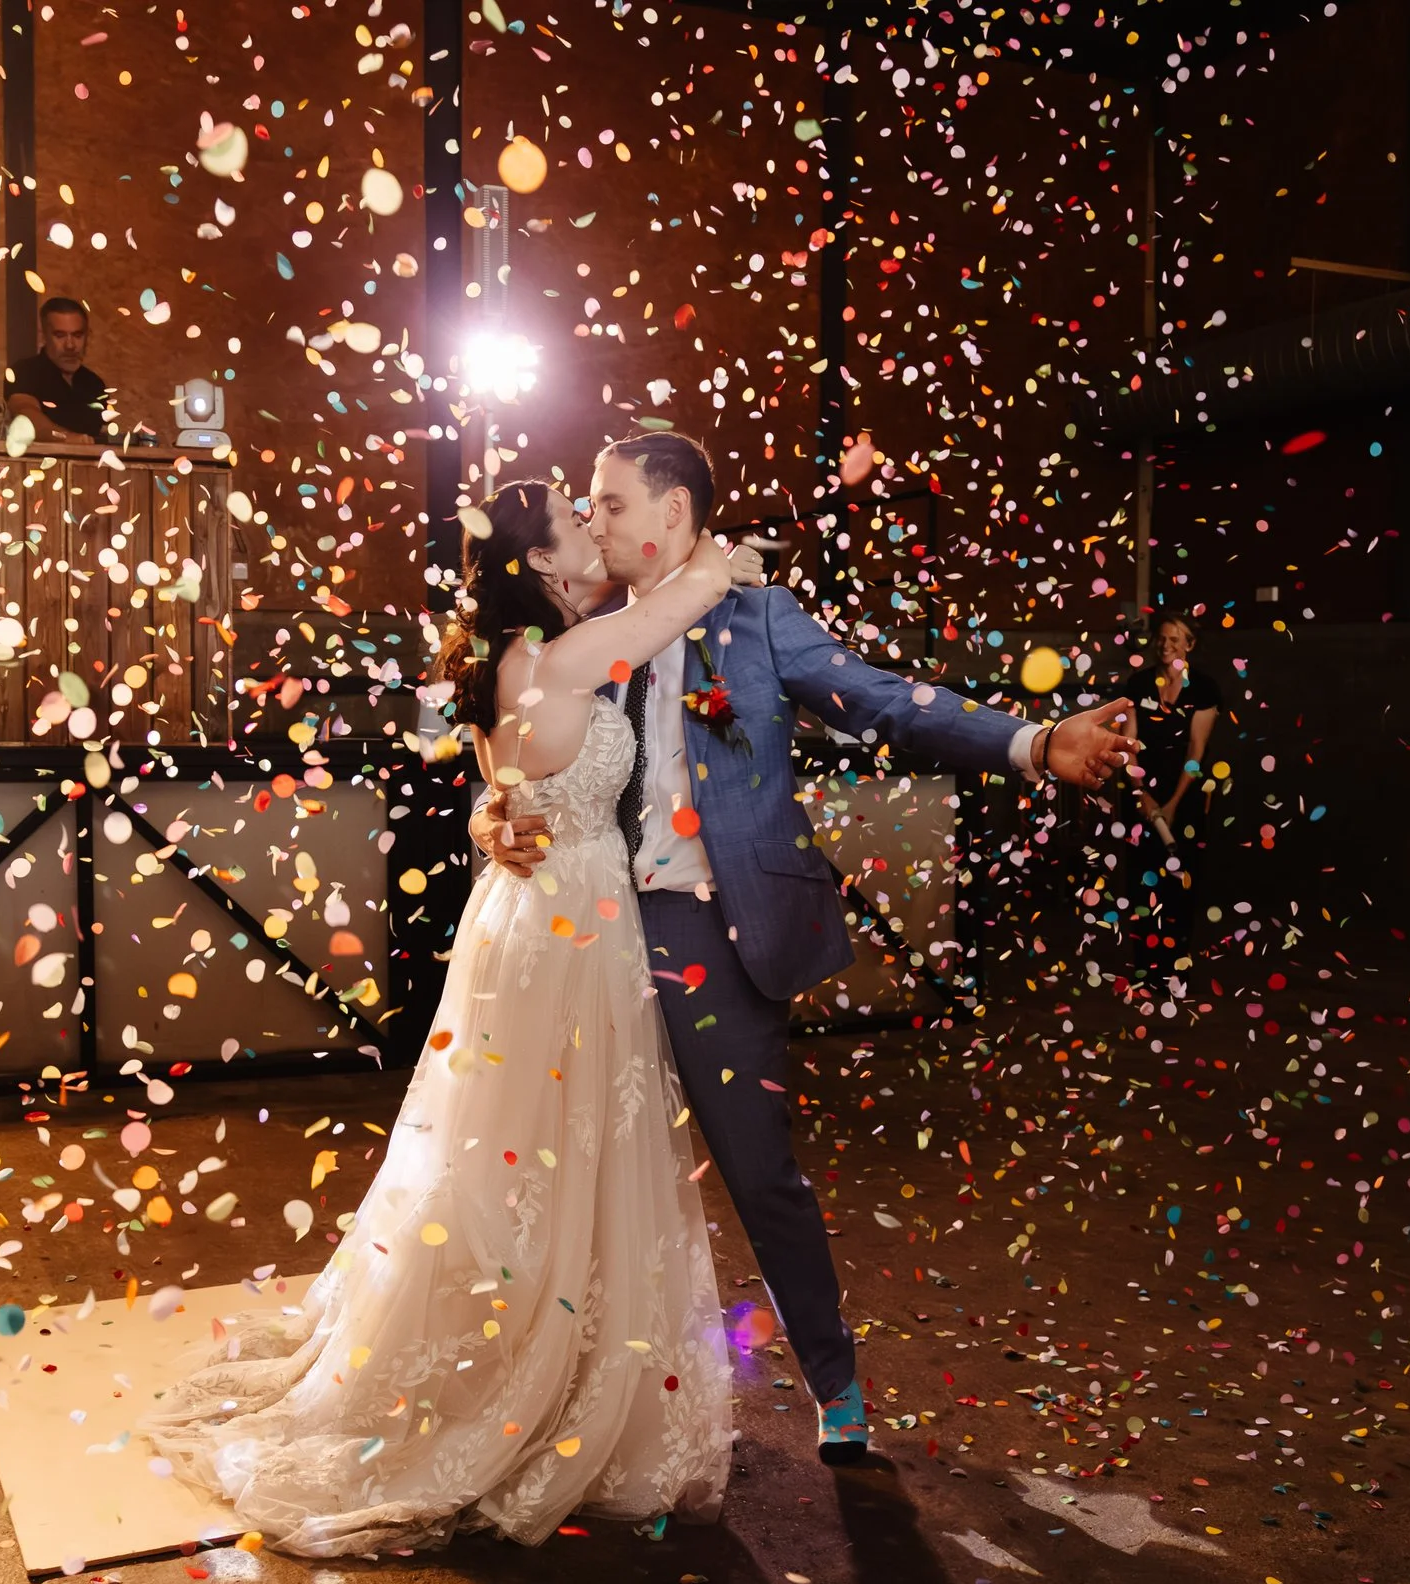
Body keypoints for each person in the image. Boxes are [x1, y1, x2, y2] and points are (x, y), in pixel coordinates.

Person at [471, 430, 1136, 1467]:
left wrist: (1030, 741)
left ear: (673, 515)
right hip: (583, 936)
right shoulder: (577, 626)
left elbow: (881, 699)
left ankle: (835, 1382)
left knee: (756, 1168)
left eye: (609, 501)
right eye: (585, 507)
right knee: (576, 1168)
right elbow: (522, 753)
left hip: (707, 930)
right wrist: (489, 815)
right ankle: (560, 1387)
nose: (593, 518)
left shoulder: (756, 615)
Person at [144, 480, 765, 1557]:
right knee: (529, 1153)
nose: (591, 531)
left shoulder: (532, 656)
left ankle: (562, 1342)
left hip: (542, 915)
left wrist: (496, 811)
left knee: (532, 1150)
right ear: (536, 560)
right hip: (564, 926)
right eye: (576, 523)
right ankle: (520, 1368)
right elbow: (679, 600)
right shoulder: (561, 656)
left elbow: (515, 778)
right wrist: (721, 555)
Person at [1119, 610, 1222, 973]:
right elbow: (1129, 742)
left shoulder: (1204, 689)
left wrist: (1175, 803)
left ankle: (1175, 967)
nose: (1165, 645)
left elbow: (1197, 749)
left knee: (1180, 886)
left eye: (1175, 640)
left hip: (1186, 799)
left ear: (1189, 645)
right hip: (1142, 796)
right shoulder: (1138, 684)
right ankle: (1145, 967)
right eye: (1162, 638)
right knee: (1142, 884)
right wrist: (1140, 793)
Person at [2, 297, 113, 442]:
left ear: (88, 336)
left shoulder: (95, 384)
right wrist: (67, 438)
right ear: (44, 337)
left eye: (77, 335)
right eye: (60, 335)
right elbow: (27, 415)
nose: (70, 345)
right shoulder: (24, 372)